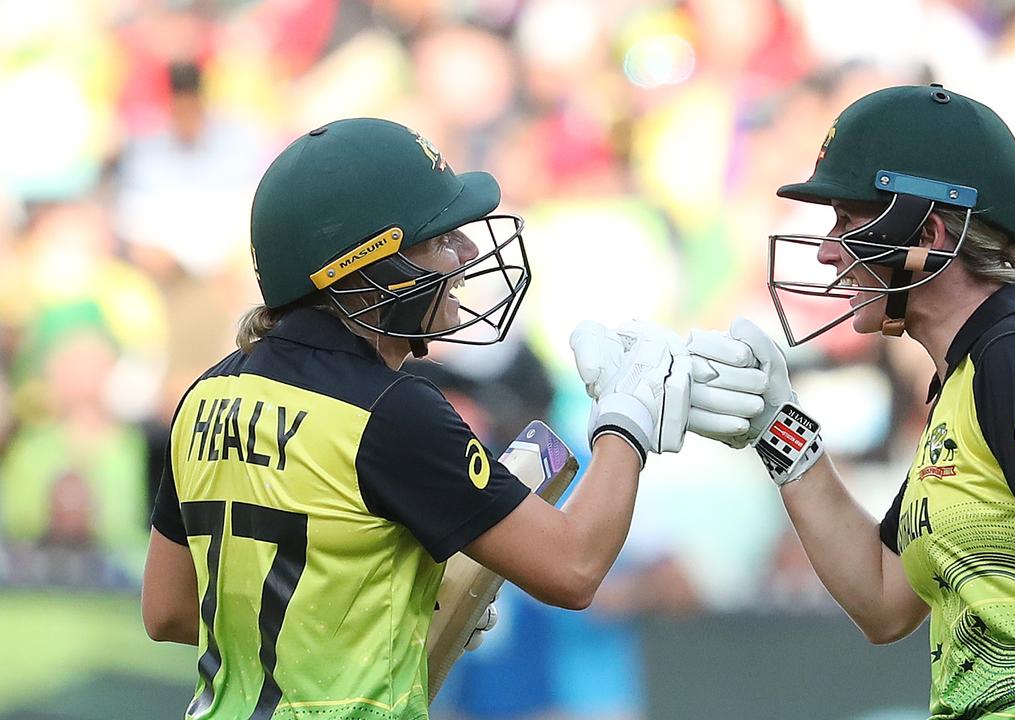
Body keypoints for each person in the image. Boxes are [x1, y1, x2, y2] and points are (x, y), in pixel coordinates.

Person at [140, 117, 690, 719]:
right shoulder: (392, 411)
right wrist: (624, 425)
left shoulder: (208, 390)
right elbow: (575, 567)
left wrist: (397, 605)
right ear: (366, 267)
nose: (469, 252)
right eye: (439, 238)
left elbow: (168, 609)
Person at [684, 85, 1015, 719]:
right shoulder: (967, 379)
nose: (829, 250)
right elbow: (883, 599)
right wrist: (780, 430)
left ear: (931, 234)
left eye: (848, 222)